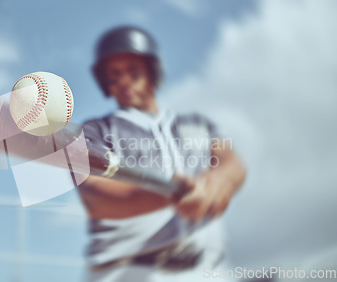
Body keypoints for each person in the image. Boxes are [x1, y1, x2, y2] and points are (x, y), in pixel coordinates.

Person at [78, 26, 246, 282]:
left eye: (133, 73)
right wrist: (168, 193)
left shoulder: (198, 124)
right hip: (128, 273)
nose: (123, 81)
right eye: (114, 75)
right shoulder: (96, 131)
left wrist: (218, 182)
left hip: (209, 271)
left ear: (152, 73)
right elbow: (93, 192)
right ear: (105, 82)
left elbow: (231, 163)